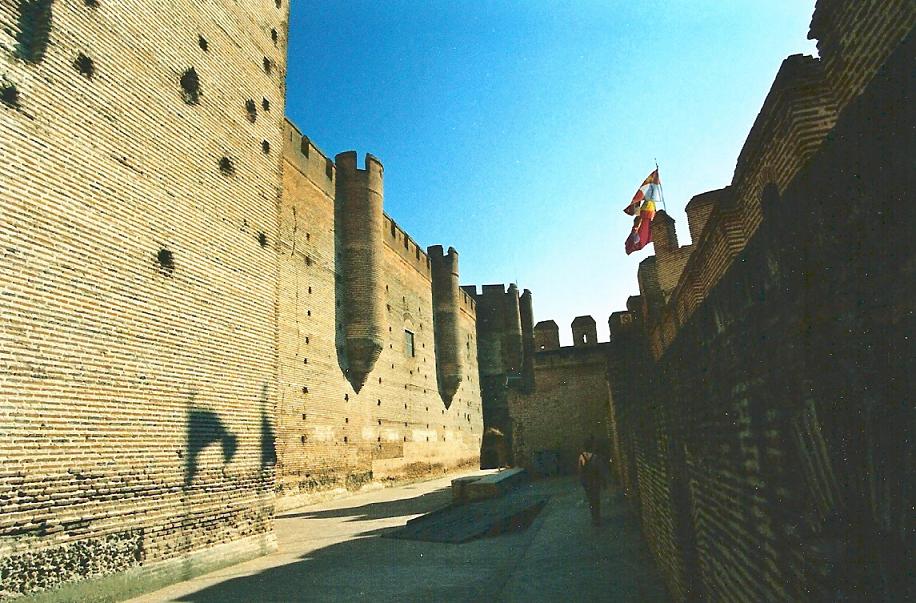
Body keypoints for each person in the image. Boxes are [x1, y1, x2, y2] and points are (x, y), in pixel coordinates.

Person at [577, 436, 610, 526]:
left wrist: (582, 481)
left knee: (590, 500)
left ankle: (593, 517)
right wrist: (604, 482)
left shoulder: (581, 457)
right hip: (595, 481)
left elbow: (580, 470)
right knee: (596, 499)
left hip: (587, 482)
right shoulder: (596, 457)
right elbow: (601, 470)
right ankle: (597, 517)